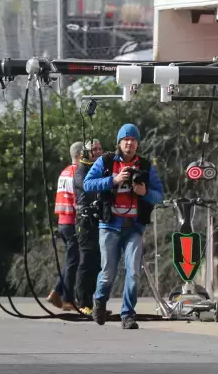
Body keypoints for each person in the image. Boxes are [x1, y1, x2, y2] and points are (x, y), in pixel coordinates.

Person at [84, 123, 165, 329]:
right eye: (126, 140)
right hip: (110, 225)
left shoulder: (145, 166)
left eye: (133, 140)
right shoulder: (106, 161)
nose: (129, 143)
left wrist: (144, 192)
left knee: (133, 272)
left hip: (134, 228)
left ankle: (128, 314)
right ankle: (100, 300)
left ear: (137, 143)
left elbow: (159, 196)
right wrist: (114, 179)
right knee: (109, 271)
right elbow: (88, 184)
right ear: (119, 143)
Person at [47, 141, 83, 311]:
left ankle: (57, 293)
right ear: (81, 155)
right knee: (73, 261)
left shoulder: (65, 172)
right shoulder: (77, 173)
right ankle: (67, 299)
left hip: (62, 221)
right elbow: (79, 201)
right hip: (72, 221)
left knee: (72, 260)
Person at [73, 139, 103, 315]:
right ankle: (82, 302)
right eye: (94, 149)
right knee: (86, 260)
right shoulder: (82, 171)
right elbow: (87, 186)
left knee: (98, 263)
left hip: (99, 220)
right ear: (85, 153)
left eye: (100, 148)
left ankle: (92, 303)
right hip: (85, 222)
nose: (98, 151)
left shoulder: (100, 168)